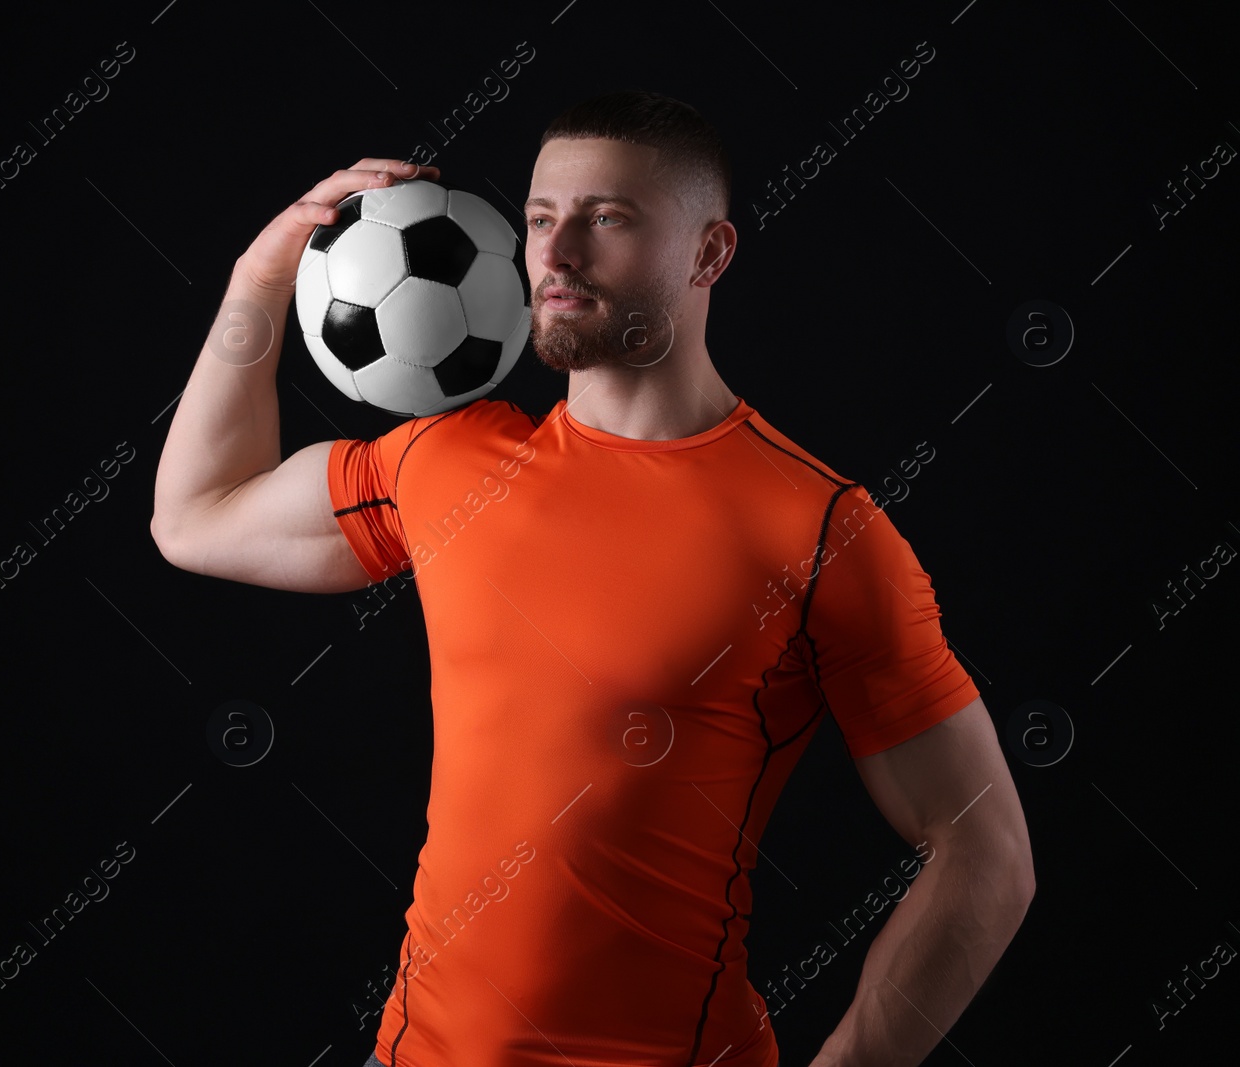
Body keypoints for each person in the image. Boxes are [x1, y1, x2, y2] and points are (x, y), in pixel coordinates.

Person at [150, 89, 1035, 1067]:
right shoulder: (447, 463)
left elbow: (985, 854)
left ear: (708, 254)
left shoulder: (818, 528)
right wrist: (263, 271)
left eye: (606, 218)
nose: (557, 253)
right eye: (538, 219)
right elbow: (197, 516)